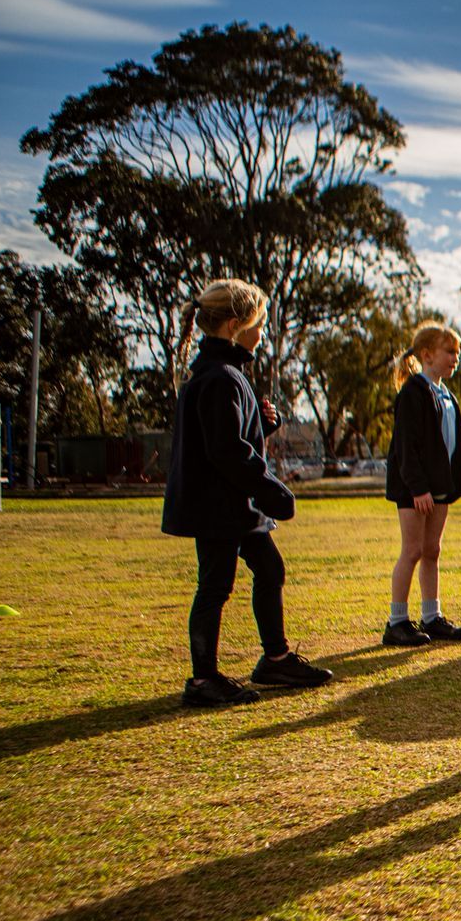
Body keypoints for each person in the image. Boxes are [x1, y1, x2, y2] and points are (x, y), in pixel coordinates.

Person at [161, 278, 332, 705]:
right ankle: (203, 681)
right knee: (215, 585)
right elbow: (226, 451)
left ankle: (274, 659)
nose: (262, 334)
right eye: (258, 325)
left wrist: (264, 426)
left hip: (236, 503)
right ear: (235, 325)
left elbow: (231, 438)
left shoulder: (224, 374)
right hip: (218, 504)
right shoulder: (220, 378)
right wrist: (271, 489)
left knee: (270, 569)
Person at [384, 322, 461, 647]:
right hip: (414, 489)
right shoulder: (413, 392)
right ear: (427, 355)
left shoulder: (447, 395)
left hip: (439, 487)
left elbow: (445, 443)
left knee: (432, 550)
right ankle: (397, 622)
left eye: (458, 352)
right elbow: (406, 446)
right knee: (412, 550)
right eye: (450, 351)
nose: (456, 358)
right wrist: (417, 488)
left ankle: (432, 616)